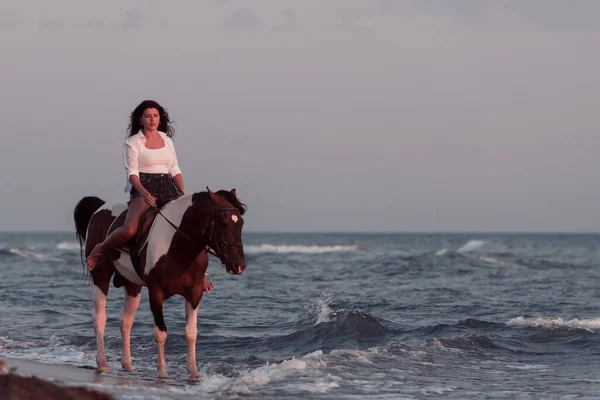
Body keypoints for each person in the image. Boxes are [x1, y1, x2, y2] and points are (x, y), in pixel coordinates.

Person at [86, 101, 212, 291]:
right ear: (140, 119)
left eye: (155, 115)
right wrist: (144, 194)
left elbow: (174, 169)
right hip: (143, 188)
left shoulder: (166, 140)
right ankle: (100, 249)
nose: (152, 119)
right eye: (148, 116)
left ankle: (200, 274)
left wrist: (182, 194)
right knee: (129, 230)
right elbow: (132, 174)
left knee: (193, 226)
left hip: (168, 188)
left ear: (160, 118)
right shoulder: (133, 143)